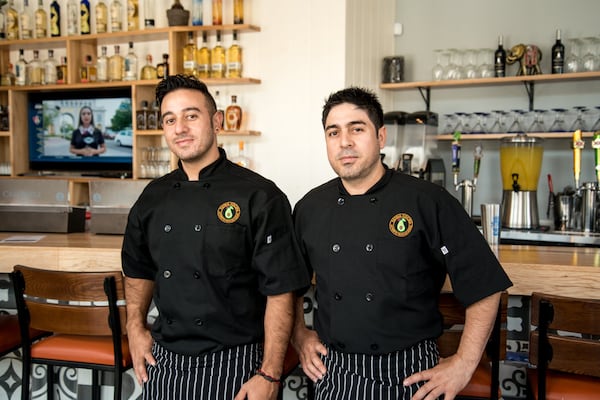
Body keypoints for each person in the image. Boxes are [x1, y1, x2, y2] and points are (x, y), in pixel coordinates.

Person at [291, 87, 512, 400]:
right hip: (334, 372)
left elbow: (484, 284)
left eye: (357, 129)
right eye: (333, 132)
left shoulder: (428, 201)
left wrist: (464, 363)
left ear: (381, 137)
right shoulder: (310, 207)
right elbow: (288, 283)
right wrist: (299, 333)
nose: (345, 142)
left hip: (410, 374)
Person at [121, 74, 310, 400]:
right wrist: (135, 327)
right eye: (170, 119)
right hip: (166, 358)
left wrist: (269, 373)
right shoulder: (152, 197)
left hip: (236, 361)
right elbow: (138, 269)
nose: (180, 128)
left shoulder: (260, 196)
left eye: (191, 116)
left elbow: (280, 291)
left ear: (217, 121)